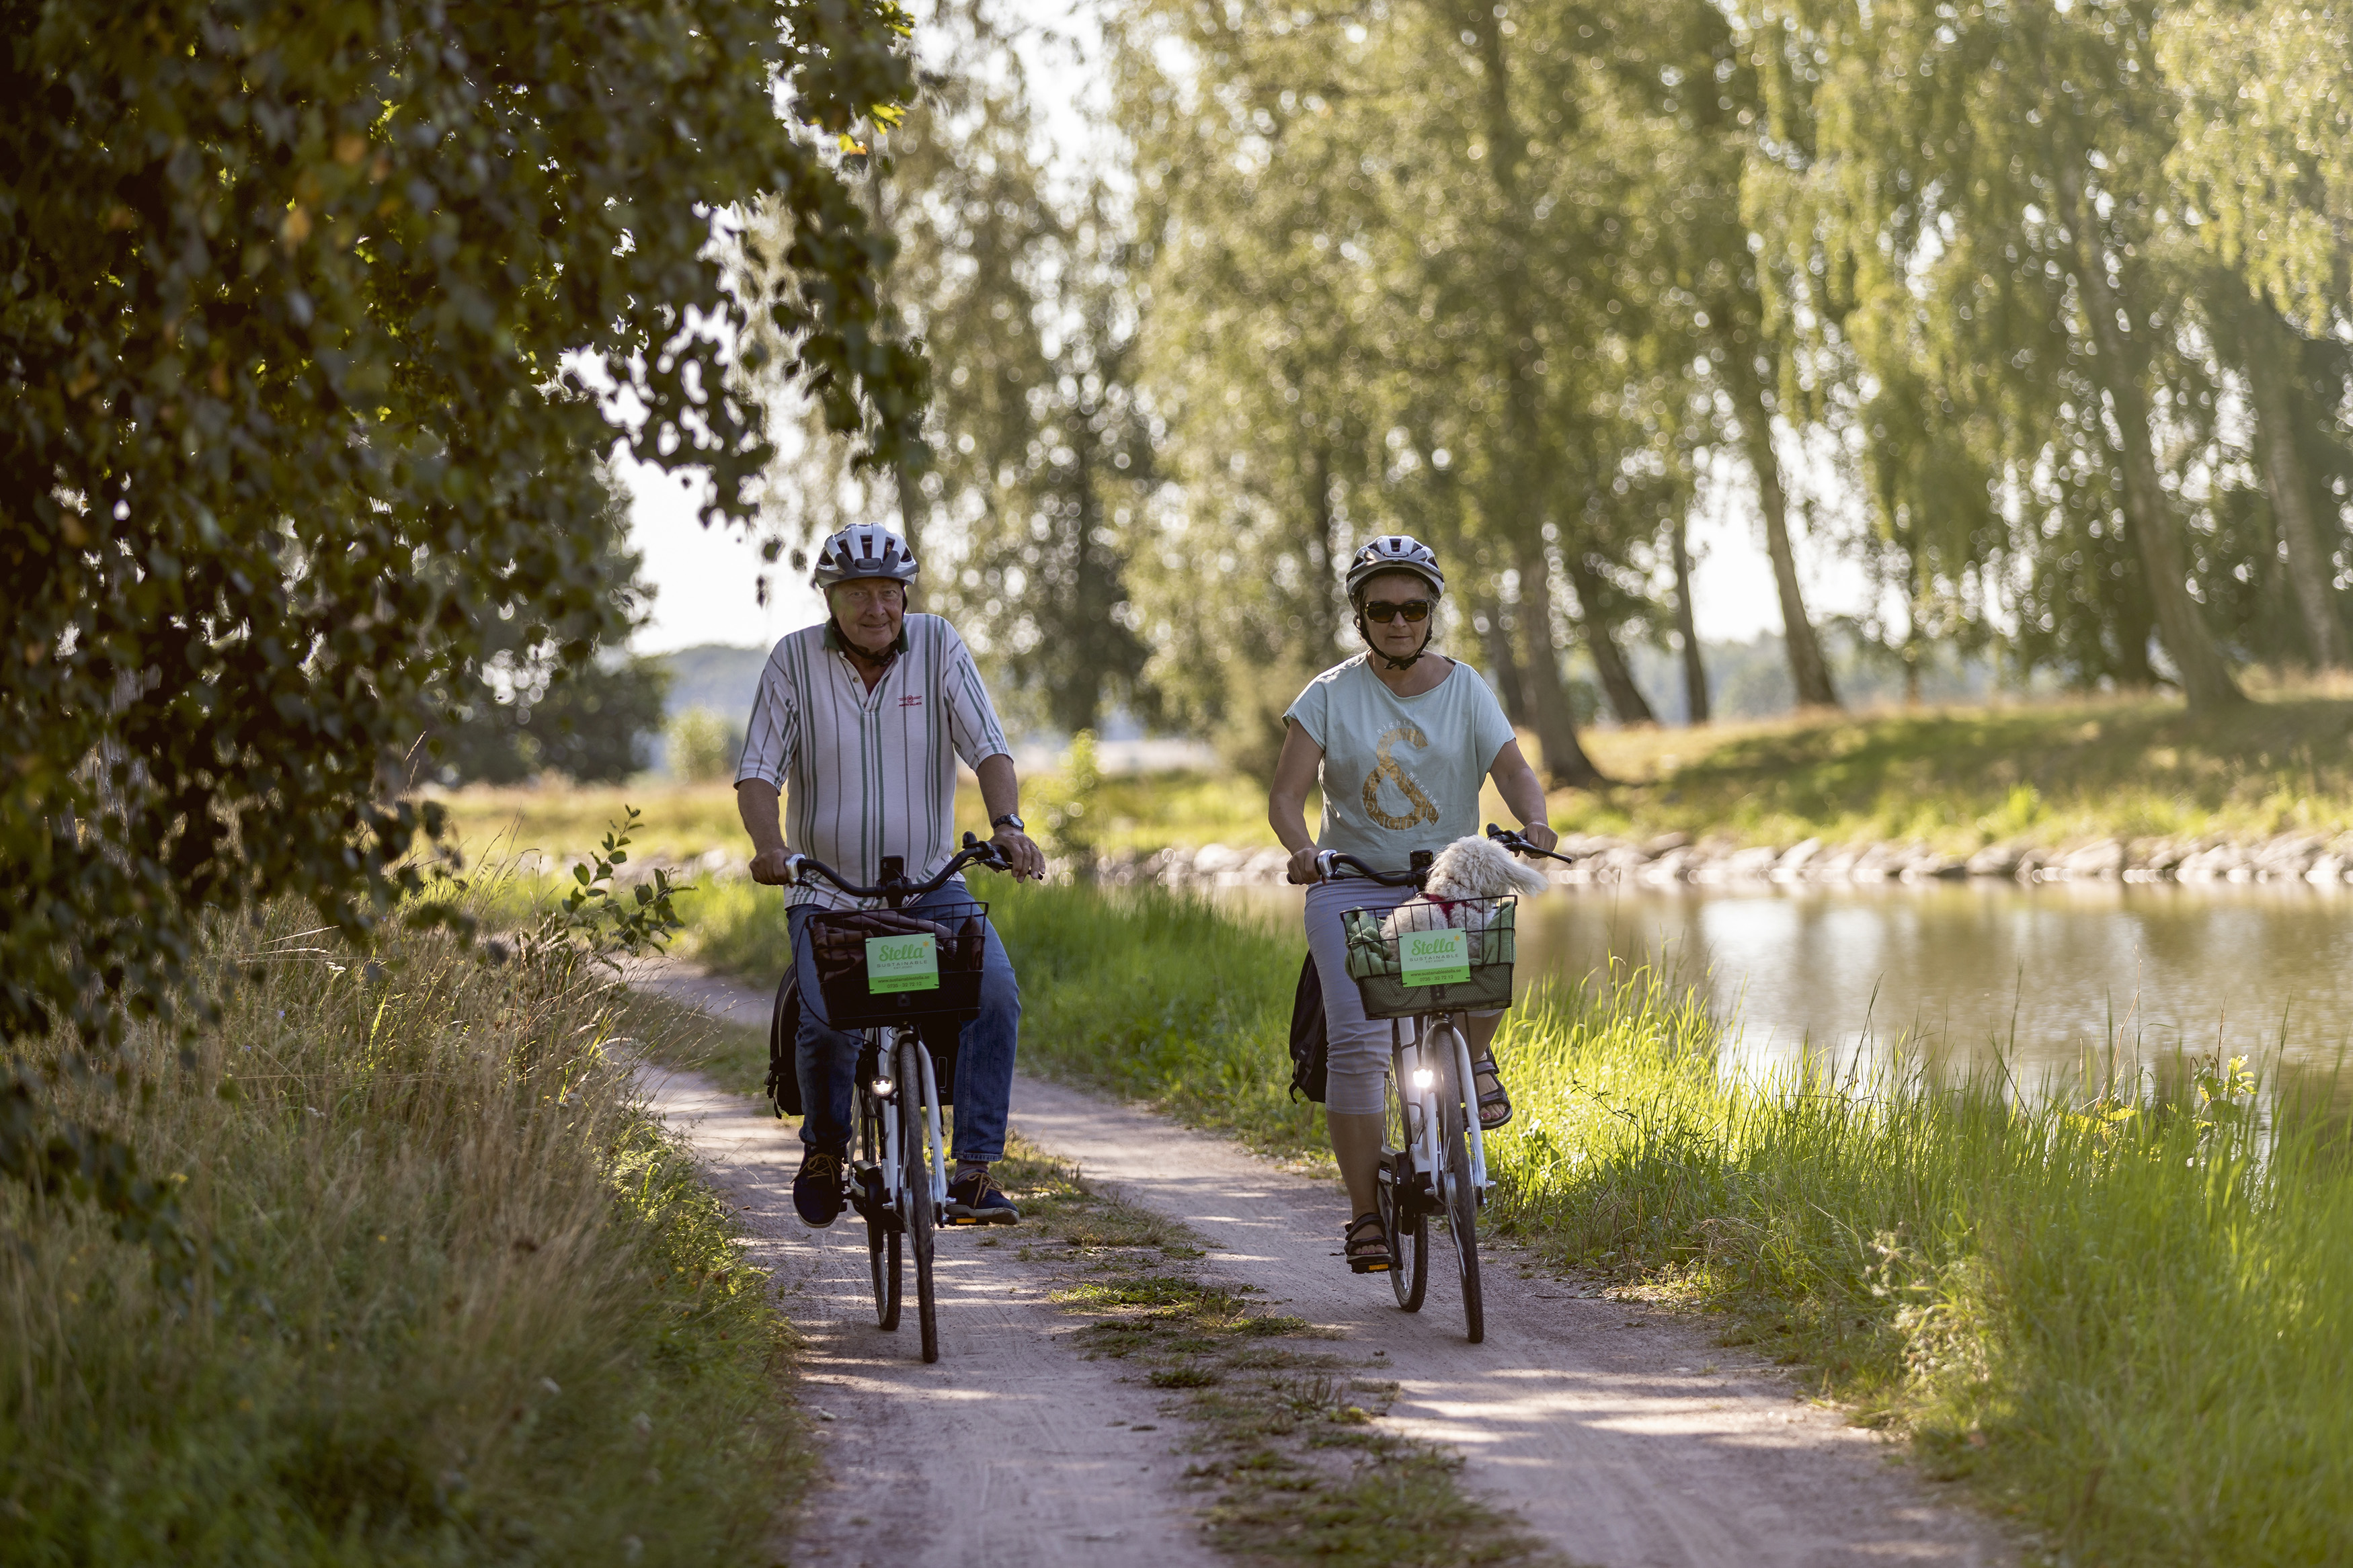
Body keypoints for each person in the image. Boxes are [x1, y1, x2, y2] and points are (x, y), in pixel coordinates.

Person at [735, 523, 1048, 1229]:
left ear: (904, 595)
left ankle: (972, 1170)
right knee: (826, 1019)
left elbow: (990, 749)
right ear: (830, 600)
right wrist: (769, 846)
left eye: (887, 592)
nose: (874, 607)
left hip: (933, 884)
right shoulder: (793, 660)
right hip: (826, 890)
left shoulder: (938, 644)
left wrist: (1008, 826)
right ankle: (824, 1147)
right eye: (856, 594)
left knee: (992, 992)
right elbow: (758, 771)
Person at [1266, 534, 1561, 1274]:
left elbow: (1516, 772)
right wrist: (1302, 848)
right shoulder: (1327, 695)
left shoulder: (1466, 688)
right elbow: (1284, 796)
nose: (1398, 621)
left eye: (1413, 608)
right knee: (1361, 1045)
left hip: (1446, 881)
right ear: (1360, 617)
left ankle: (1476, 1057)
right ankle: (1366, 1213)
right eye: (1382, 609)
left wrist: (1532, 823)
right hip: (1352, 883)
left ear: (1432, 612)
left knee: (1486, 975)